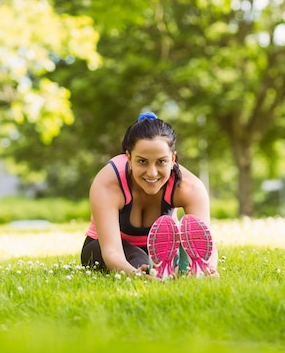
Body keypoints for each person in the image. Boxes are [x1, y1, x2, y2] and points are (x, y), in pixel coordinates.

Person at [81, 111, 218, 278]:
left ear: (173, 159)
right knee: (139, 258)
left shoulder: (190, 188)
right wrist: (138, 275)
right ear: (129, 158)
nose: (152, 173)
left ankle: (180, 268)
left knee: (176, 256)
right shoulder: (109, 184)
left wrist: (209, 268)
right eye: (142, 161)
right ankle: (159, 270)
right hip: (102, 247)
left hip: (165, 249)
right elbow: (112, 252)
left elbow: (204, 243)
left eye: (161, 161)